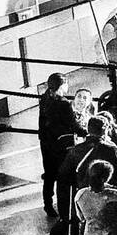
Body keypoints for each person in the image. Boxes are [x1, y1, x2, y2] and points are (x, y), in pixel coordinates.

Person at [39, 74, 82, 218]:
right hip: (61, 144)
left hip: (46, 143)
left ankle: (48, 205)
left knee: (49, 174)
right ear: (62, 85)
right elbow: (73, 124)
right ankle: (64, 206)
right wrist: (86, 131)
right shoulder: (64, 103)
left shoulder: (45, 98)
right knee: (63, 175)